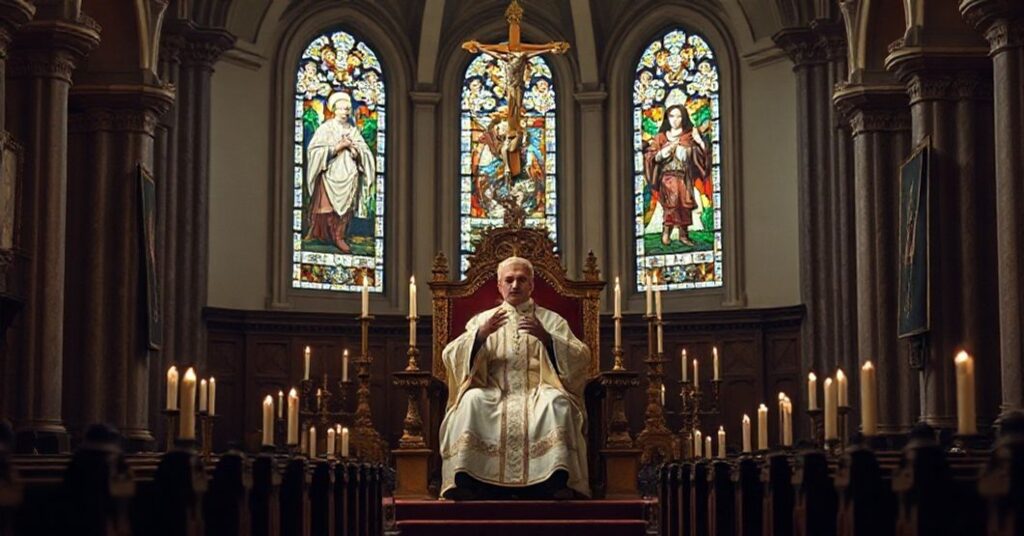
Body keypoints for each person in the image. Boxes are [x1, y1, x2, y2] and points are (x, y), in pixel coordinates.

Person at [439, 256, 591, 500]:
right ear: (499, 285)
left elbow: (581, 357)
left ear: (531, 285)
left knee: (556, 404)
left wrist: (548, 339)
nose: (515, 285)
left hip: (538, 391)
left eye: (521, 280)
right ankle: (470, 481)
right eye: (508, 280)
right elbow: (450, 356)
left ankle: (554, 482)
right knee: (471, 401)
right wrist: (479, 337)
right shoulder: (482, 320)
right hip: (493, 391)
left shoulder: (551, 321)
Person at [305, 91, 375, 253]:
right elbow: (314, 151)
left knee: (346, 209)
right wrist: (337, 147)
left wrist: (356, 152)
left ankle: (339, 236)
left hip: (349, 174)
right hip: (331, 175)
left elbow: (364, 151)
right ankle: (322, 234)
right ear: (334, 110)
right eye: (342, 109)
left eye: (348, 109)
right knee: (326, 207)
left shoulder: (353, 130)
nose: (345, 112)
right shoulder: (326, 128)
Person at [643, 104, 710, 247]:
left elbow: (701, 155)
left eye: (679, 116)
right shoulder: (661, 137)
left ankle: (684, 235)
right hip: (667, 177)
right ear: (667, 118)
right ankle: (666, 232)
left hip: (684, 176)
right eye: (672, 116)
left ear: (684, 117)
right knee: (671, 203)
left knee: (685, 204)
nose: (675, 120)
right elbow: (650, 156)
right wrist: (662, 153)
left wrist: (697, 143)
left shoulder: (689, 136)